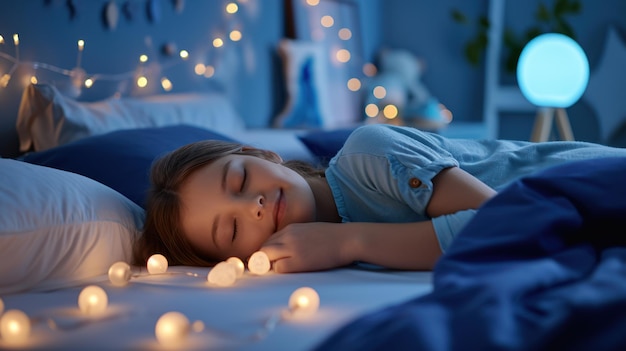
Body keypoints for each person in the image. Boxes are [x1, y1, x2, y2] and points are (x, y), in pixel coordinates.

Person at [133, 124, 626, 273]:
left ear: (264, 153)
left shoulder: (368, 154)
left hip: (591, 179)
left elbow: (508, 223)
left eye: (240, 181)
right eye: (233, 229)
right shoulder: (303, 262)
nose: (252, 206)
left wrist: (349, 243)